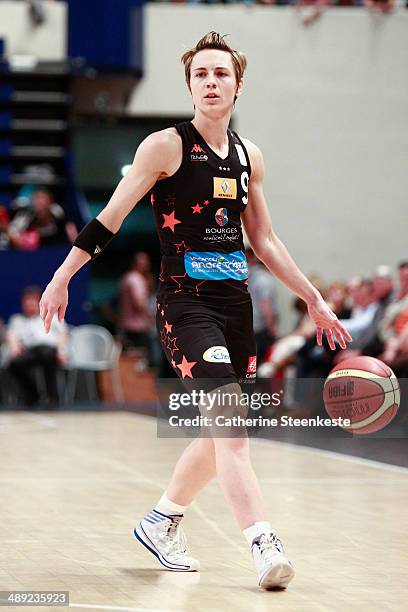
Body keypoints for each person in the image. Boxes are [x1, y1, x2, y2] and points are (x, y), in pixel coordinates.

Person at [39, 32, 351, 590]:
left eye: (221, 74)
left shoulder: (249, 155)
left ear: (238, 84)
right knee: (231, 427)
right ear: (189, 85)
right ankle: (262, 541)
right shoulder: (165, 146)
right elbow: (110, 217)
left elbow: (266, 241)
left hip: (236, 308)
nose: (211, 82)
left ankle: (162, 521)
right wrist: (63, 275)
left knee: (220, 433)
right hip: (184, 304)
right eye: (201, 74)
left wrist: (315, 298)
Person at [6, 285, 68, 407]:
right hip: (29, 352)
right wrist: (14, 347)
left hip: (49, 351)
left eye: (32, 300)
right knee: (14, 364)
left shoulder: (51, 316)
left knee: (47, 356)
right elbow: (12, 336)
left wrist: (61, 351)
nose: (29, 304)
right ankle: (33, 395)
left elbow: (62, 334)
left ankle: (52, 397)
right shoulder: (17, 320)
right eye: (26, 301)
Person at [118, 251, 156, 367]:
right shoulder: (136, 279)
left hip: (127, 326)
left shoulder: (127, 277)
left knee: (132, 362)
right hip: (137, 328)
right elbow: (139, 303)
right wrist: (152, 318)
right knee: (142, 364)